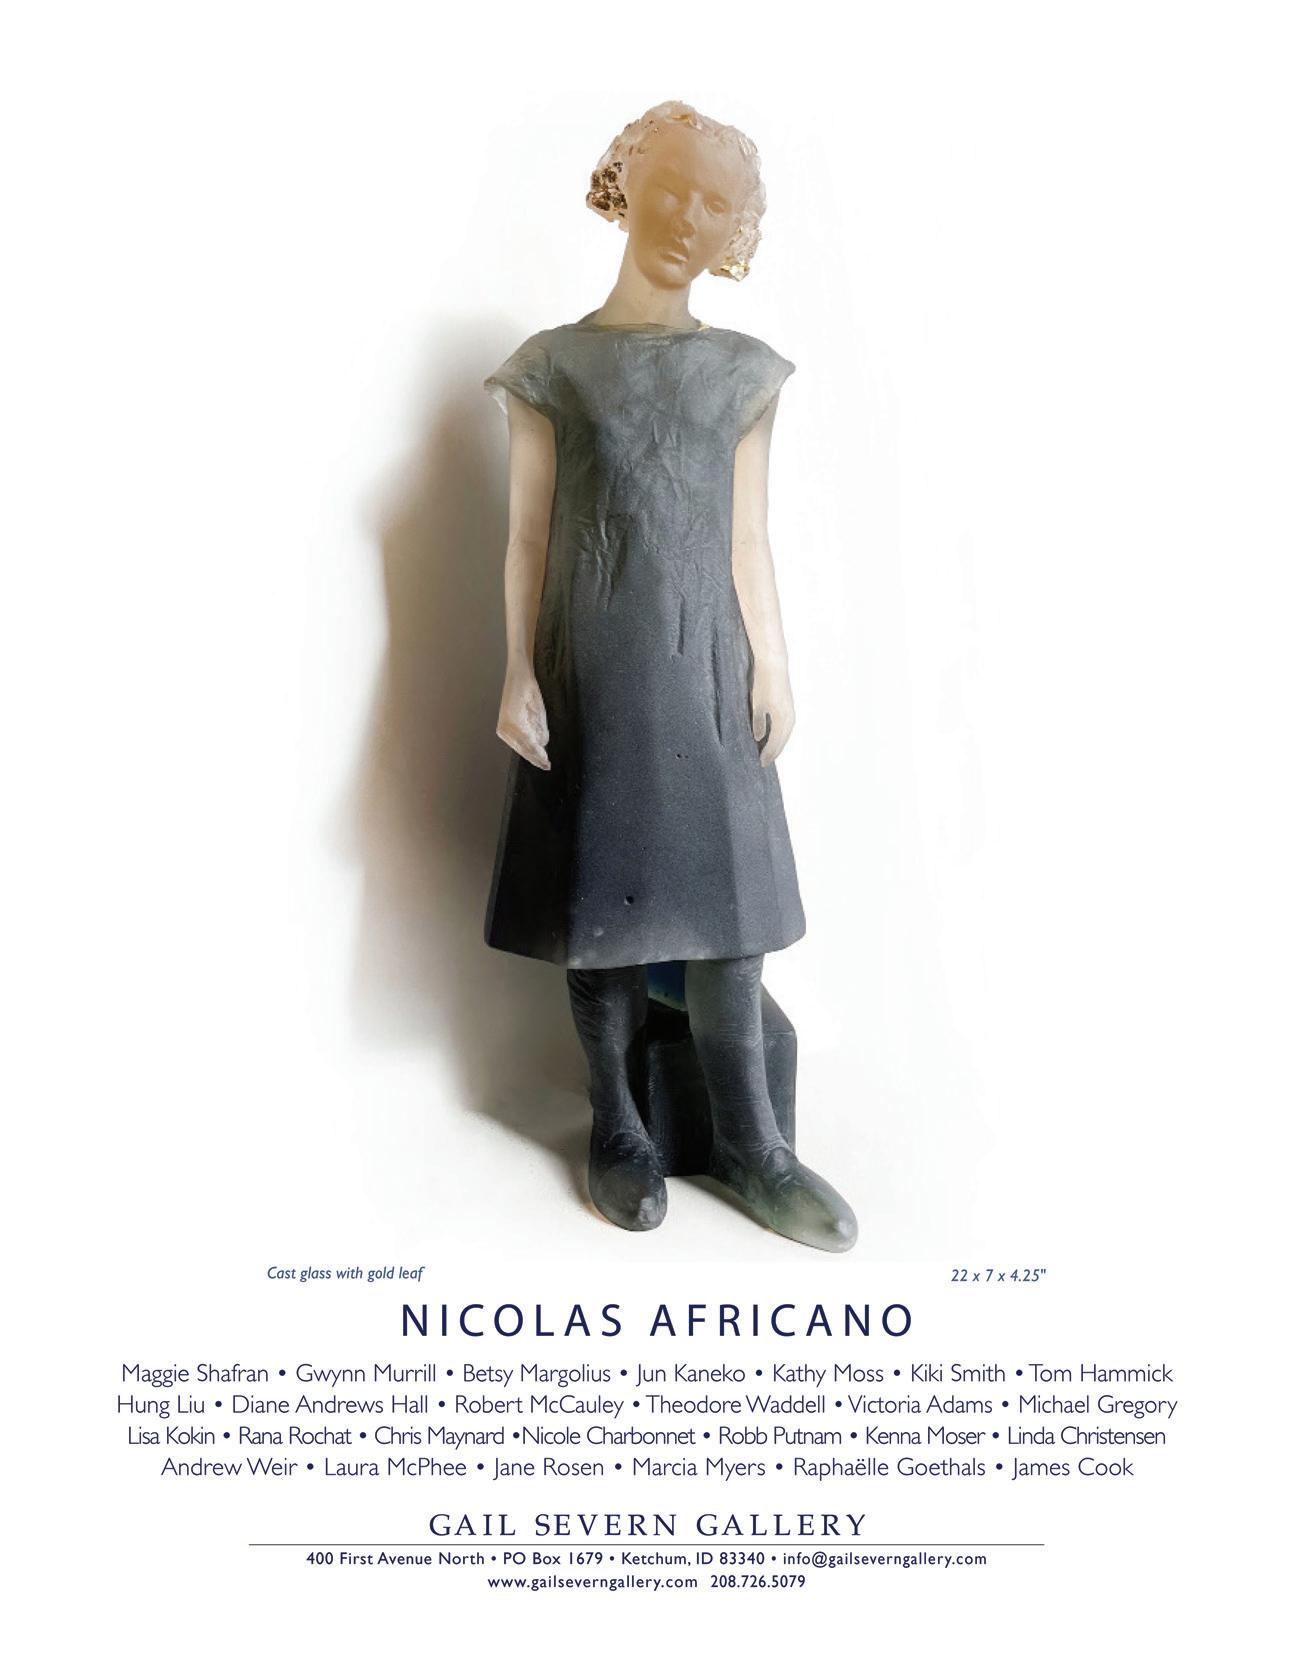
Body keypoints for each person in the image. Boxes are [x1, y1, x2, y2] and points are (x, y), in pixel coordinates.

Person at [483, 101, 856, 1252]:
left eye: (714, 203)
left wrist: (773, 664)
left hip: (708, 666)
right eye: (673, 188)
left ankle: (753, 1146)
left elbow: (748, 537)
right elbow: (527, 535)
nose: (688, 218)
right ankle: (619, 1125)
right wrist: (515, 670)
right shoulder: (554, 366)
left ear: (733, 227)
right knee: (600, 903)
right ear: (626, 186)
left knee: (730, 911)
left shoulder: (742, 373)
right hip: (591, 667)